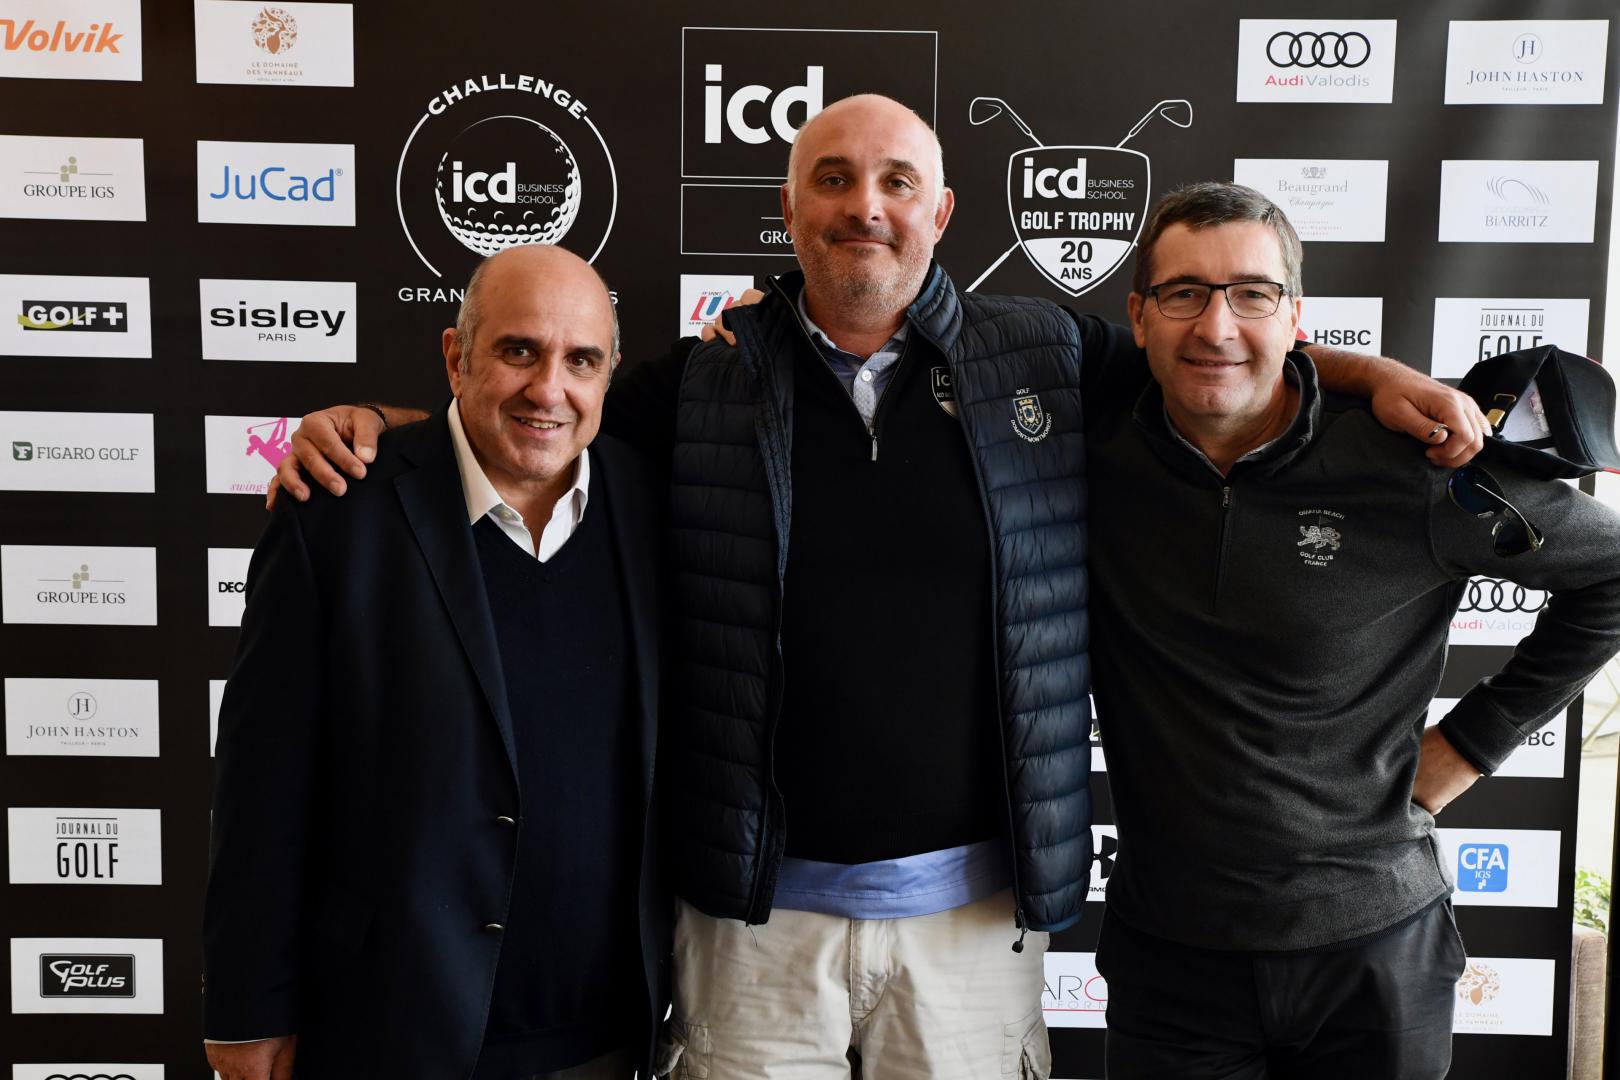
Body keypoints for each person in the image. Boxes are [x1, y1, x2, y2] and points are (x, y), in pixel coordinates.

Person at [268, 97, 1488, 1079]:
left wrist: (1372, 375)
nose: (867, 205)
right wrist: (379, 424)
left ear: (940, 211)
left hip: (975, 927)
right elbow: (541, 420)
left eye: (898, 181)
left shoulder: (1047, 353)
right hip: (751, 928)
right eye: (835, 179)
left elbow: (1215, 353)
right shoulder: (703, 378)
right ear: (790, 207)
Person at [1083, 181, 1620, 1079]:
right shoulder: (1084, 445)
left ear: (1296, 316)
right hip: (1170, 959)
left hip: (1377, 950)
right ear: (1138, 317)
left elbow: (1610, 571)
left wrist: (1471, 745)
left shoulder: (1414, 465)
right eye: (1184, 293)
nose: (1216, 325)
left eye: (1252, 294)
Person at [203, 245, 668, 1080]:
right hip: (391, 1031)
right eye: (518, 350)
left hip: (606, 1038)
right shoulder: (337, 514)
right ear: (456, 357)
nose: (548, 389)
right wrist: (248, 1007)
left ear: (609, 374)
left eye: (581, 360)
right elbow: (262, 787)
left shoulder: (651, 505)